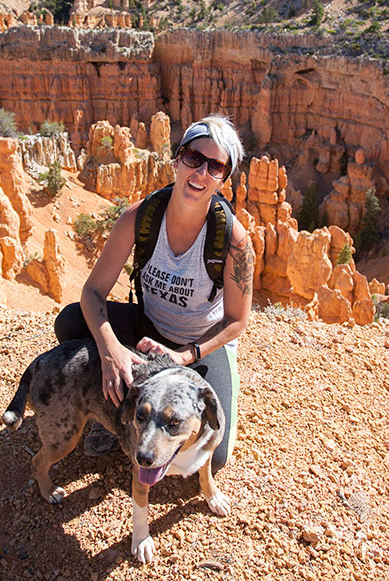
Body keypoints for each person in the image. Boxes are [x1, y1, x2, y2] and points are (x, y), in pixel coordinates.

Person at [53, 115, 252, 469]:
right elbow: (92, 292)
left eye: (216, 166)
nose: (201, 172)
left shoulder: (234, 241)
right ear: (176, 159)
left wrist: (185, 356)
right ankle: (112, 413)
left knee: (215, 457)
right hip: (146, 329)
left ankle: (143, 405)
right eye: (193, 158)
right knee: (71, 322)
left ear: (225, 178)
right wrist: (110, 348)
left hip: (197, 345)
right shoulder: (140, 217)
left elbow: (237, 321)